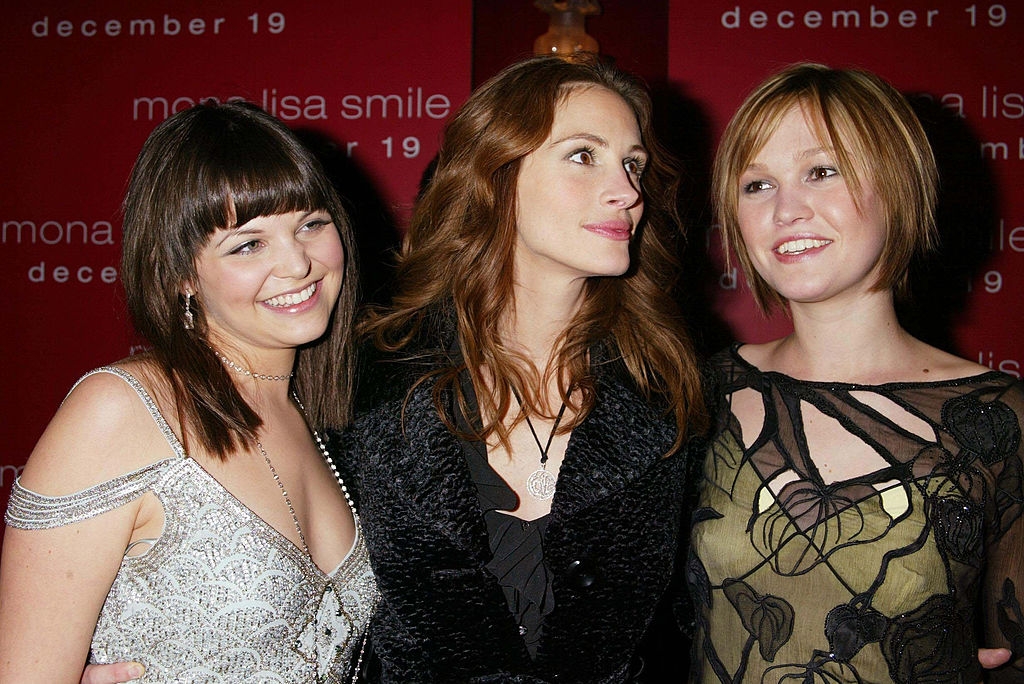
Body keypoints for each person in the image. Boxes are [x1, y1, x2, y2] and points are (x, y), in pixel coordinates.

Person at [338, 55, 706, 682]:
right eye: (583, 155)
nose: (627, 191)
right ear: (496, 175)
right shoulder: (363, 376)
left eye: (633, 163)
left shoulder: (668, 386)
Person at [0, 101, 378, 682]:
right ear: (180, 273)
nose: (298, 262)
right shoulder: (120, 410)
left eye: (311, 223)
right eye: (248, 244)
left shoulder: (322, 418)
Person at [687, 63, 1024, 683]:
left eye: (822, 171)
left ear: (897, 185)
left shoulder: (1003, 418)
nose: (787, 208)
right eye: (756, 185)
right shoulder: (694, 396)